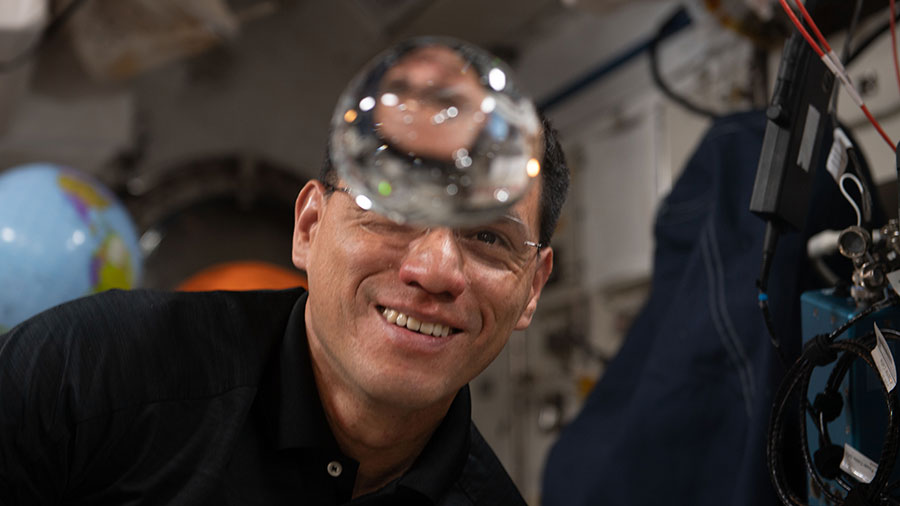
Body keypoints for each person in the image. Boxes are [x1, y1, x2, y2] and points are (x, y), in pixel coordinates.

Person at [0, 108, 569, 503]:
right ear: (309, 227)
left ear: (533, 287)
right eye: (394, 211)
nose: (436, 270)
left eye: (490, 238)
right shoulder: (85, 377)